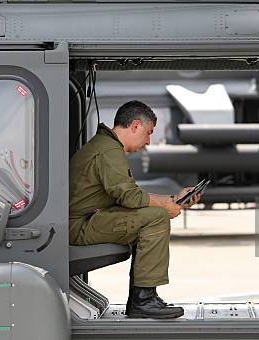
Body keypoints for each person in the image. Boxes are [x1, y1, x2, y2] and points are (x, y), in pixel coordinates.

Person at [69, 100, 201, 319]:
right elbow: (129, 197)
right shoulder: (108, 150)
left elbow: (129, 195)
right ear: (135, 126)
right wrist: (165, 206)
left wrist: (174, 199)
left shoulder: (105, 145)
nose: (148, 141)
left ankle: (145, 297)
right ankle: (143, 300)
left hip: (87, 219)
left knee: (155, 213)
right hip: (80, 225)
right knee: (156, 218)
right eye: (148, 133)